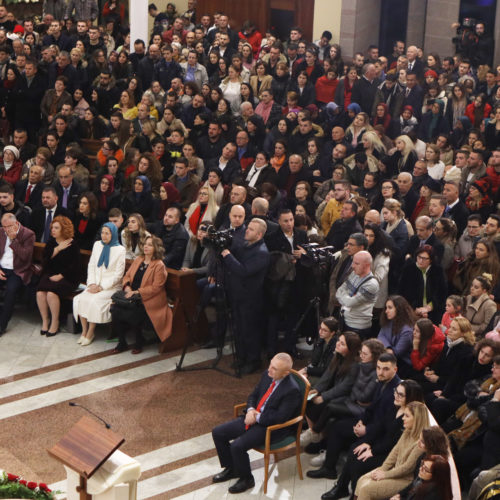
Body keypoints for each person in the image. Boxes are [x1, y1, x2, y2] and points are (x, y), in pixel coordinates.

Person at [211, 353, 301, 494]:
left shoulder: (292, 390)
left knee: (237, 446)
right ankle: (232, 468)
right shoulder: (267, 375)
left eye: (274, 368)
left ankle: (247, 479)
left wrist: (257, 417)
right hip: (253, 416)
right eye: (270, 364)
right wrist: (250, 410)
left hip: (270, 428)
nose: (269, 369)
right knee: (218, 432)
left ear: (285, 373)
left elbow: (280, 417)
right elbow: (253, 395)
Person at [354, 401, 430, 500]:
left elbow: (407, 468)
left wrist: (385, 474)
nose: (403, 418)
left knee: (366, 489)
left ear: (417, 419)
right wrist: (382, 469)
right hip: (393, 470)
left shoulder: (420, 443)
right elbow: (394, 452)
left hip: (404, 479)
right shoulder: (407, 431)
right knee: (362, 480)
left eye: (406, 416)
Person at [222, 217, 270, 374]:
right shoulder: (245, 244)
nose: (246, 230)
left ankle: (253, 360)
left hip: (251, 298)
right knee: (238, 328)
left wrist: (227, 255)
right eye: (248, 227)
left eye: (251, 229)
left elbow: (244, 271)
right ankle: (242, 357)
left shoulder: (261, 253)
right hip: (237, 294)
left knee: (250, 330)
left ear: (259, 235)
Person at [111, 235, 172, 354]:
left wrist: (137, 292)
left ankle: (139, 341)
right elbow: (127, 275)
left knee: (135, 311)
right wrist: (127, 286)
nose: (146, 247)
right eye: (145, 244)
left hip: (150, 299)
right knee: (115, 308)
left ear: (156, 248)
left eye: (150, 245)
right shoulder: (139, 259)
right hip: (132, 296)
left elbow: (156, 288)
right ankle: (122, 342)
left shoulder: (159, 265)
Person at [73, 223, 126, 346]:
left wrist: (101, 287)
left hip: (110, 287)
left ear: (113, 234)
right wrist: (91, 284)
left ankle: (91, 332)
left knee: (94, 301)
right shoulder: (97, 245)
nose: (104, 236)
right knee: (80, 298)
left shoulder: (120, 250)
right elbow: (91, 265)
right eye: (102, 232)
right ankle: (84, 331)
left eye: (107, 233)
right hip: (94, 284)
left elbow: (118, 275)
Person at [36, 215, 80, 337]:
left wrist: (61, 275)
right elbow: (44, 262)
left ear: (64, 229)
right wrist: (57, 249)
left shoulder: (72, 244)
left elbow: (75, 266)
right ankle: (45, 320)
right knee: (40, 293)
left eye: (56, 228)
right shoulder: (51, 243)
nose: (53, 230)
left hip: (67, 277)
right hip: (50, 274)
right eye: (52, 228)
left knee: (51, 293)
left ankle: (55, 322)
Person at [0, 214, 35, 335]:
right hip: (1, 268)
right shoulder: (1, 232)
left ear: (16, 223)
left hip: (17, 270)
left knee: (11, 290)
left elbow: (25, 257)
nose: (6, 229)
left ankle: (2, 325)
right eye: (4, 227)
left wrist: (14, 240)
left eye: (8, 226)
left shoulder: (28, 234)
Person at [399, 245, 447, 324]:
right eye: (419, 257)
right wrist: (414, 309)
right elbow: (402, 292)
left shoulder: (438, 270)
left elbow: (442, 293)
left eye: (424, 258)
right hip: (412, 311)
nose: (421, 261)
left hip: (433, 312)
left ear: (431, 260)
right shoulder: (408, 269)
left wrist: (429, 307)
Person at [336, 251, 379, 339]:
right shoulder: (354, 274)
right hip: (344, 321)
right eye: (353, 262)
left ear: (366, 265)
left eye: (356, 263)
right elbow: (339, 291)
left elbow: (349, 303)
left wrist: (344, 297)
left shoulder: (371, 284)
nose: (352, 266)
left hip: (357, 327)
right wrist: (345, 298)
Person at [377, 296, 416, 377]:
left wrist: (386, 349)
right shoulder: (388, 322)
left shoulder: (407, 330)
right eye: (386, 308)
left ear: (399, 309)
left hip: (403, 365)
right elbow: (381, 336)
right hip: (389, 357)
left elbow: (397, 353)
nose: (386, 311)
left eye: (390, 308)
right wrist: (388, 348)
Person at [298, 317, 338, 386]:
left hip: (326, 377)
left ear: (332, 333)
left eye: (324, 330)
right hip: (316, 371)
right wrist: (307, 370)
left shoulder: (335, 346)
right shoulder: (321, 340)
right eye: (320, 328)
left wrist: (307, 370)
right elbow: (314, 361)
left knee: (302, 384)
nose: (320, 332)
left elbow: (326, 370)